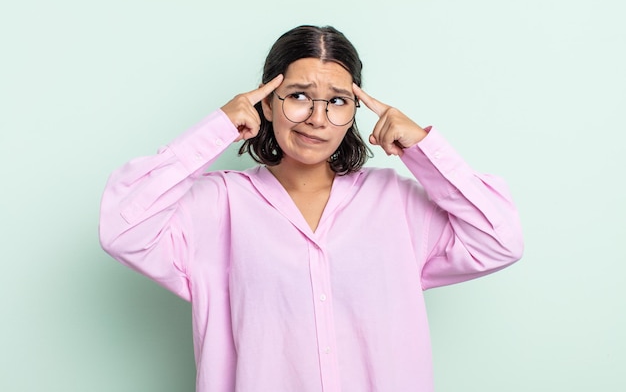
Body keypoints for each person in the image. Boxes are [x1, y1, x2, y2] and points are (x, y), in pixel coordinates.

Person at [99, 25, 523, 392]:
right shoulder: (216, 206)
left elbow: (500, 240)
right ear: (266, 103)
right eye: (299, 96)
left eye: (337, 101)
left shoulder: (396, 202)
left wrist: (423, 150)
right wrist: (216, 129)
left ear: (355, 110)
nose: (317, 118)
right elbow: (122, 228)